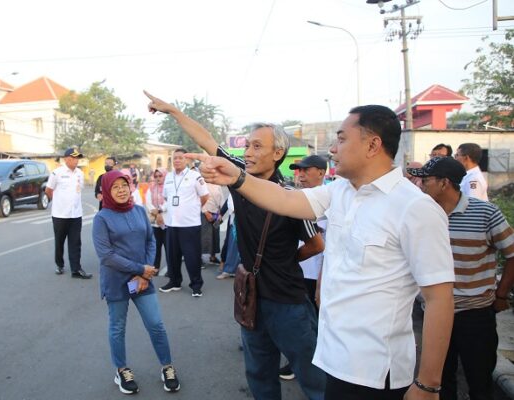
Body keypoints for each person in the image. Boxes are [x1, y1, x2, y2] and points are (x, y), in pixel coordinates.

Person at [185, 104, 456, 400]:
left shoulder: (415, 208)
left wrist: (428, 384)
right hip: (334, 359)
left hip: (376, 374)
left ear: (372, 144)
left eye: (341, 139)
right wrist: (236, 177)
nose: (332, 148)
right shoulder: (340, 192)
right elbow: (283, 200)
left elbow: (439, 297)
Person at [146, 91, 326, 399]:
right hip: (251, 298)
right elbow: (207, 140)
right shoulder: (239, 176)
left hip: (288, 303)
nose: (249, 152)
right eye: (247, 145)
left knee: (313, 379)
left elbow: (316, 243)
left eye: (258, 146)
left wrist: (283, 260)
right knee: (259, 375)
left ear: (278, 153)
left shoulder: (291, 196)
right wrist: (172, 111)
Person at [408, 156, 514, 400]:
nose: (420, 184)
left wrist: (501, 295)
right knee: (439, 382)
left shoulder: (485, 213)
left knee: (479, 381)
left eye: (426, 180)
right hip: (434, 314)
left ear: (444, 183)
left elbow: (512, 253)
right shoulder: (422, 214)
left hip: (475, 315)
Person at [92, 170, 181, 395]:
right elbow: (106, 255)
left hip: (141, 282)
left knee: (156, 324)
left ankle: (167, 367)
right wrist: (140, 269)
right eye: (115, 187)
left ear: (131, 186)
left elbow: (150, 242)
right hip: (117, 282)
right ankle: (122, 370)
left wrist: (144, 275)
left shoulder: (140, 211)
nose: (121, 190)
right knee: (117, 328)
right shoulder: (101, 218)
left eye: (125, 185)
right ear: (107, 191)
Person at [158, 148, 209, 298]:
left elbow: (204, 196)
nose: (177, 160)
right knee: (172, 256)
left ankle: (196, 285)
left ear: (187, 160)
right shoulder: (168, 177)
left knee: (192, 256)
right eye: (175, 158)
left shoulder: (195, 176)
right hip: (172, 224)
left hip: (190, 224)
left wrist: (192, 208)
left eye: (180, 158)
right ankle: (174, 282)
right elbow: (167, 198)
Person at [289, 154, 329, 312]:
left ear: (320, 173)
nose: (301, 175)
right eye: (299, 170)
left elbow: (327, 247)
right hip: (295, 272)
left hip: (315, 274)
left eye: (306, 170)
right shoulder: (294, 198)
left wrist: (321, 281)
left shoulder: (330, 201)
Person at [45, 148, 92, 279]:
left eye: (78, 158)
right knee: (59, 241)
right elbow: (48, 190)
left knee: (76, 242)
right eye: (74, 158)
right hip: (60, 215)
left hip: (76, 214)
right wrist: (59, 202)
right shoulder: (57, 173)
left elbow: (78, 190)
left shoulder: (80, 174)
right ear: (66, 159)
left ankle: (76, 269)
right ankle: (59, 264)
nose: (76, 161)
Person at [145, 168, 168, 272]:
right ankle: (156, 267)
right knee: (156, 246)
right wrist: (155, 212)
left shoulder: (169, 187)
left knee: (169, 247)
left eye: (160, 176)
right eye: (156, 176)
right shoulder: (151, 188)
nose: (158, 178)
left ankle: (171, 269)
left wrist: (160, 210)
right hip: (155, 223)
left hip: (167, 221)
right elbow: (147, 201)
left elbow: (170, 201)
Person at [201, 182, 223, 264]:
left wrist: (221, 213)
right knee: (204, 236)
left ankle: (213, 257)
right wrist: (206, 212)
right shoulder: (202, 184)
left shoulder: (218, 185)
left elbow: (222, 199)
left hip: (216, 213)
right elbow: (199, 199)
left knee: (215, 235)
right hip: (204, 213)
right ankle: (200, 259)